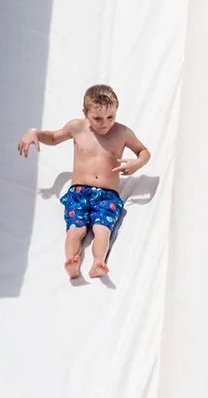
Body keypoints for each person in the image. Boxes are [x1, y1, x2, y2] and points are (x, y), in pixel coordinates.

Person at [17, 84, 151, 280]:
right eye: (97, 118)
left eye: (110, 117)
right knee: (75, 229)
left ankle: (98, 262)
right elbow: (54, 138)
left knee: (102, 229)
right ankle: (72, 260)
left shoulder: (122, 133)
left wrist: (137, 163)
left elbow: (144, 152)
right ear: (85, 113)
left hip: (108, 194)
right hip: (78, 191)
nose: (105, 124)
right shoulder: (76, 128)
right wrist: (34, 133)